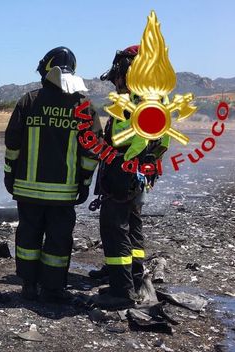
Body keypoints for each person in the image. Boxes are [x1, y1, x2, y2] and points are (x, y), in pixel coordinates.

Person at [4, 47, 100, 304]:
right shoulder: (83, 107)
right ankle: (53, 289)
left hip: (27, 190)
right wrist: (85, 183)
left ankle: (28, 285)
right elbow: (92, 151)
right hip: (63, 193)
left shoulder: (28, 101)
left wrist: (9, 173)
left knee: (28, 237)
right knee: (58, 240)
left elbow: (12, 143)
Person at [91, 45, 170, 309]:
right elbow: (161, 141)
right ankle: (133, 278)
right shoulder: (152, 95)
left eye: (119, 75)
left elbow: (136, 138)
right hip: (137, 171)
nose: (116, 82)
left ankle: (121, 291)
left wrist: (123, 165)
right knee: (132, 225)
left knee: (114, 228)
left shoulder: (139, 98)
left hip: (125, 170)